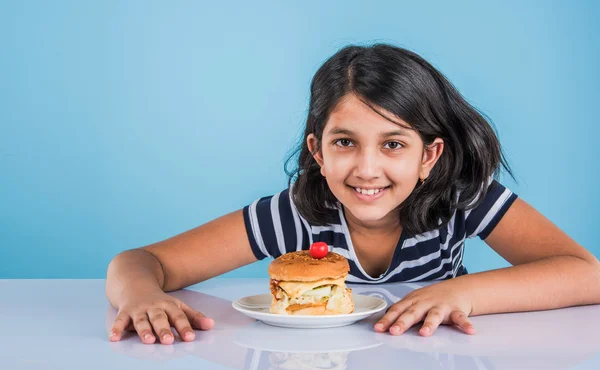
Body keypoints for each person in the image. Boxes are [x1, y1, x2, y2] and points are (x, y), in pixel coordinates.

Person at [106, 43, 600, 345]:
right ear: (318, 151)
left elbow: (586, 275)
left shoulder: (461, 197)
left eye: (393, 144)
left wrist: (463, 292)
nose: (368, 169)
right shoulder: (297, 212)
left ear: (428, 156)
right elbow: (142, 261)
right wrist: (144, 296)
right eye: (345, 142)